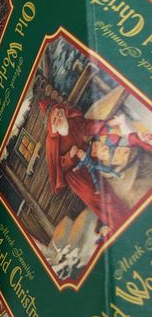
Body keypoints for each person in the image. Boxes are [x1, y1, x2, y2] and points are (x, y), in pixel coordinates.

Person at [41, 100, 145, 234]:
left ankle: (126, 216)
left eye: (59, 113)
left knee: (107, 188)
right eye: (54, 119)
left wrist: (108, 125)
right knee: (96, 198)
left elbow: (88, 126)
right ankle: (117, 225)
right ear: (51, 124)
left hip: (88, 157)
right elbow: (58, 167)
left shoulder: (72, 122)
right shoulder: (52, 142)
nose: (59, 118)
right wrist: (69, 156)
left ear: (62, 111)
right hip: (76, 175)